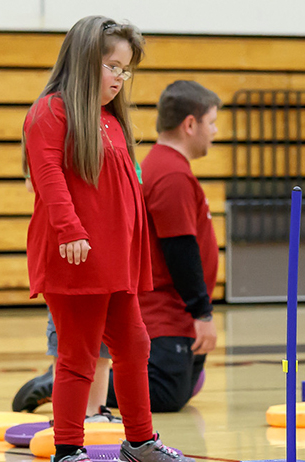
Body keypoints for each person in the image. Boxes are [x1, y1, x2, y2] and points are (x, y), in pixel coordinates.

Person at [23, 15, 196, 462]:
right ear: (82, 62)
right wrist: (70, 230)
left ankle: (139, 443)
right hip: (74, 257)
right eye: (112, 66)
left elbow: (123, 196)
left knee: (135, 344)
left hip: (113, 261)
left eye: (126, 69)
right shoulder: (51, 113)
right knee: (78, 355)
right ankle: (66, 455)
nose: (120, 78)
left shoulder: (112, 122)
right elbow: (50, 179)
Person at [102, 80, 222, 413]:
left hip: (172, 311)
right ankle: (70, 383)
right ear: (190, 124)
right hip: (165, 312)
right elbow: (179, 248)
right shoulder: (171, 175)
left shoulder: (164, 166)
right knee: (166, 394)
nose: (214, 131)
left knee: (180, 390)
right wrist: (202, 312)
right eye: (211, 122)